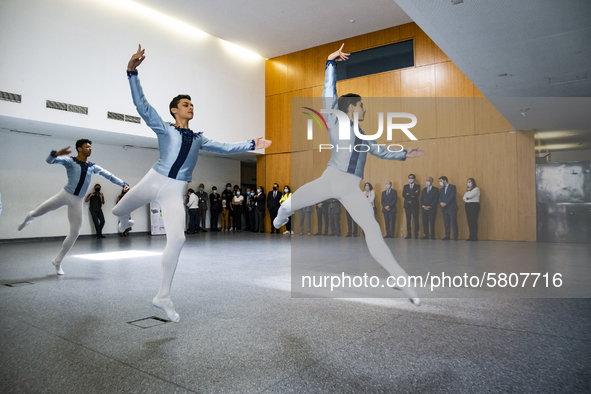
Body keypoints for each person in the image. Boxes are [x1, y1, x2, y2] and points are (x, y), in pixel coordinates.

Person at [112, 45, 271, 322]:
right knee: (117, 211)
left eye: (192, 104)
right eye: (186, 104)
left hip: (175, 190)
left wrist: (251, 144)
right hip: (154, 180)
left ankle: (162, 295)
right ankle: (125, 220)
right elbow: (142, 106)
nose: (191, 107)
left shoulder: (199, 138)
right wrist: (132, 72)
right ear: (175, 110)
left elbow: (224, 147)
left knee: (178, 239)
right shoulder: (164, 127)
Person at [273, 44, 424, 305]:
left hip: (352, 188)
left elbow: (381, 151)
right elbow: (328, 95)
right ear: (352, 107)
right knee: (288, 205)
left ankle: (401, 279)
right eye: (362, 106)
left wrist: (403, 154)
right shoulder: (335, 121)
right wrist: (330, 64)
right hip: (330, 179)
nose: (365, 110)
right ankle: (281, 217)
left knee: (373, 231)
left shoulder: (365, 135)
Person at [18, 139, 129, 275]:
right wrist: (55, 154)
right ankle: (28, 219)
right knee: (37, 212)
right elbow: (50, 161)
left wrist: (122, 183)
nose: (90, 149)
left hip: (78, 201)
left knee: (75, 232)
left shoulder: (92, 167)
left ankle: (58, 261)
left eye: (91, 147)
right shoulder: (70, 161)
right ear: (79, 149)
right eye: (87, 146)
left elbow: (109, 175)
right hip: (64, 195)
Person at [438, 176, 458, 240]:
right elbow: (440, 197)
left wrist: (446, 203)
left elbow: (452, 196)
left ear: (445, 180)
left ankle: (455, 235)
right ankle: (447, 235)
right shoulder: (441, 189)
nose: (440, 182)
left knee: (453, 222)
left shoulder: (452, 187)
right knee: (446, 222)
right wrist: (441, 203)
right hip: (444, 209)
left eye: (441, 181)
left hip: (451, 208)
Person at [402, 174, 421, 239]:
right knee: (408, 220)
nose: (410, 179)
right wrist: (412, 194)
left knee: (415, 220)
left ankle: (416, 234)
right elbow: (404, 195)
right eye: (409, 178)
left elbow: (416, 195)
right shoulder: (405, 186)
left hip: (414, 205)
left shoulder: (417, 186)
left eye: (412, 178)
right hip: (407, 205)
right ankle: (409, 234)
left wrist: (408, 194)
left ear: (414, 179)